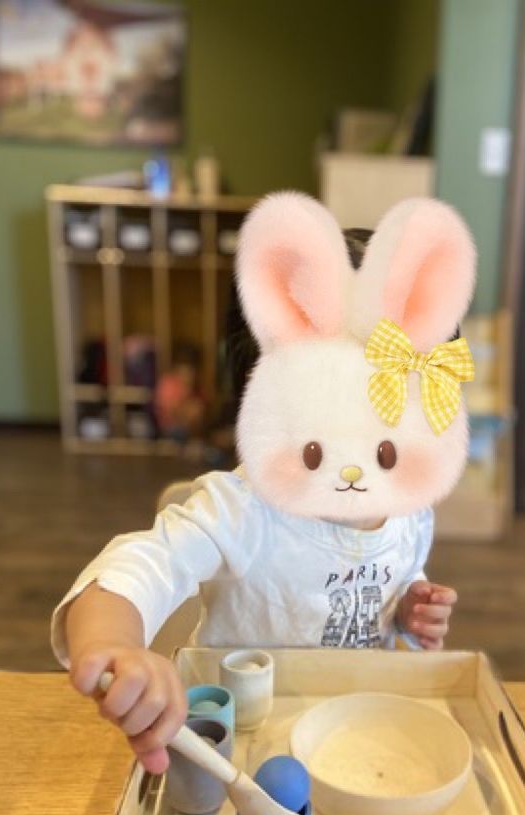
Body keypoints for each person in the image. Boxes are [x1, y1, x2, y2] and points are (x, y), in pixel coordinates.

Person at [52, 193, 475, 776]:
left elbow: (393, 580)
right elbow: (143, 563)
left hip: (356, 736)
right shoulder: (247, 509)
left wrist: (406, 611)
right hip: (243, 741)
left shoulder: (408, 506)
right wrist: (115, 644)